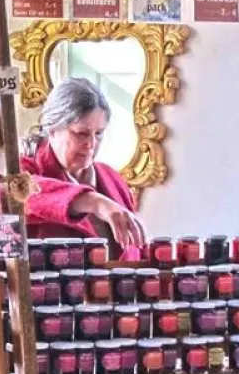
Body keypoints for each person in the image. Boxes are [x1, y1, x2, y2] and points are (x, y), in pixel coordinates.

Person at [21, 76, 146, 251]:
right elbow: (25, 195)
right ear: (52, 129)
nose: (91, 144)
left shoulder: (112, 178)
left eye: (99, 133)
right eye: (81, 133)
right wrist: (95, 202)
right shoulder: (24, 172)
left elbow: (137, 253)